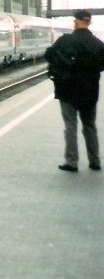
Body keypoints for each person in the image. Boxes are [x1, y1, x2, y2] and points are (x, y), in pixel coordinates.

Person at [45, 9, 104, 172]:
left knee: (70, 125)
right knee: (90, 125)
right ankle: (95, 161)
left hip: (67, 90)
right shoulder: (98, 44)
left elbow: (49, 55)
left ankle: (71, 162)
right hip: (90, 91)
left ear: (76, 22)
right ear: (89, 22)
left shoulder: (65, 40)